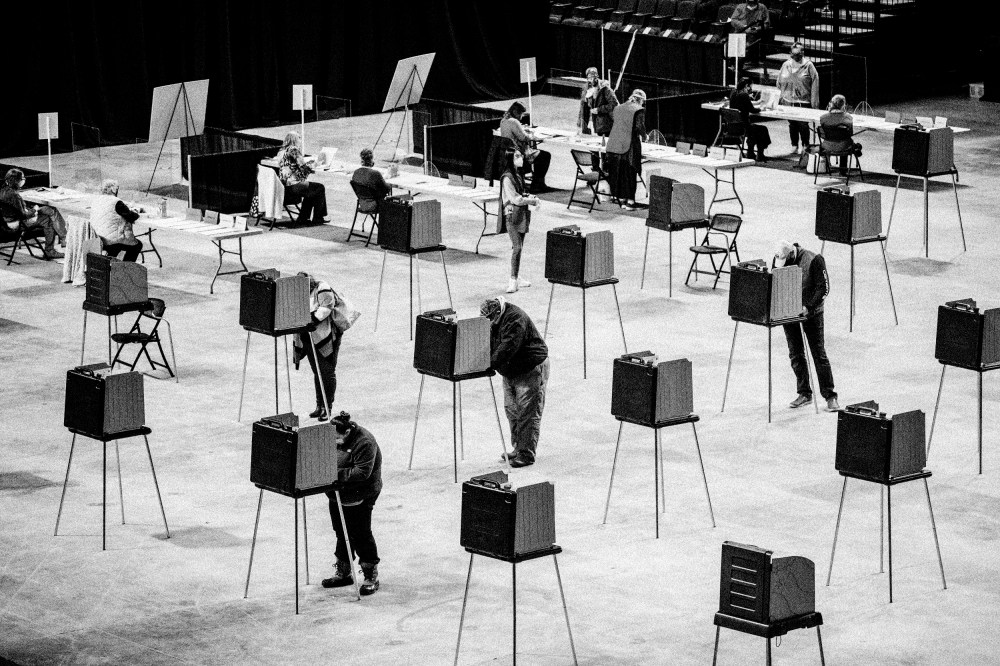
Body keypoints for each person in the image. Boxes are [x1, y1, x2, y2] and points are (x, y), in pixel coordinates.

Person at [481, 297, 550, 468]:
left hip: (529, 369)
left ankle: (526, 454)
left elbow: (508, 347)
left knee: (527, 413)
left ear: (498, 312)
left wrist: (488, 365)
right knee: (512, 411)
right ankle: (518, 448)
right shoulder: (494, 319)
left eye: (490, 319)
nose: (488, 323)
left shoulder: (515, 319)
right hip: (511, 371)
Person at [321, 412, 383, 596]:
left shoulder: (365, 442)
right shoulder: (332, 435)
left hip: (360, 493)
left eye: (337, 438)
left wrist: (332, 473)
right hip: (337, 493)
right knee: (341, 531)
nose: (334, 441)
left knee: (360, 534)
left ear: (347, 432)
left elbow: (362, 472)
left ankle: (370, 574)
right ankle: (344, 571)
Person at [774, 240, 839, 412]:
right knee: (795, 354)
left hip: (812, 313)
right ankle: (804, 393)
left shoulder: (814, 259)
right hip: (790, 312)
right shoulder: (780, 259)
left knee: (818, 354)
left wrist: (808, 306)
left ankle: (830, 396)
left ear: (792, 254)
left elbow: (823, 288)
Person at [292, 274, 342, 421]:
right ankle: (319, 406)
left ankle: (327, 408)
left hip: (325, 338)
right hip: (308, 337)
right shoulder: (299, 293)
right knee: (317, 372)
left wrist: (310, 319)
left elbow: (326, 308)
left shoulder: (322, 288)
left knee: (327, 372)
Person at [0, 168, 65, 259]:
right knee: (48, 220)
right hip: (17, 223)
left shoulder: (3, 191)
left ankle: (63, 238)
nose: (24, 180)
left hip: (8, 221)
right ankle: (50, 250)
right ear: (16, 181)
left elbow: (17, 210)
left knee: (50, 209)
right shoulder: (14, 196)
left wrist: (31, 209)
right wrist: (34, 210)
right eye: (22, 178)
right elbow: (24, 215)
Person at [499, 149, 540, 294]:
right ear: (510, 159)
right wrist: (531, 201)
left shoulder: (518, 175)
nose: (520, 158)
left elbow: (521, 193)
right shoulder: (507, 178)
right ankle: (512, 281)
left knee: (519, 247)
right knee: (517, 247)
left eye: (520, 155)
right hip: (512, 216)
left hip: (522, 214)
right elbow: (515, 199)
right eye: (516, 156)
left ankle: (516, 276)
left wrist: (531, 196)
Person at [605, 88, 647, 210]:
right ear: (641, 100)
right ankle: (630, 202)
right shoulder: (638, 110)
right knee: (630, 172)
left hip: (615, 144)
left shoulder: (618, 108)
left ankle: (622, 199)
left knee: (620, 172)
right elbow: (639, 126)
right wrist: (645, 136)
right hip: (629, 146)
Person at [276, 131, 330, 225]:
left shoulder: (281, 151)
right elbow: (303, 168)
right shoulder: (293, 150)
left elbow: (294, 166)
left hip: (284, 185)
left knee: (311, 190)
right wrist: (317, 162)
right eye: (299, 138)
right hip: (294, 185)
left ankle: (303, 217)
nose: (300, 140)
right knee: (320, 188)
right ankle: (318, 217)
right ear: (294, 140)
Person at [776, 43, 820, 155]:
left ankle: (806, 145)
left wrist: (814, 102)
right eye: (794, 54)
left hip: (803, 101)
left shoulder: (809, 65)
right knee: (792, 124)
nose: (796, 57)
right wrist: (781, 96)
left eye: (798, 54)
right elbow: (779, 81)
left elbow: (815, 82)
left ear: (802, 53)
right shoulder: (786, 65)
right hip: (788, 100)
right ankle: (794, 145)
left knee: (803, 125)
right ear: (790, 54)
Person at [499, 102, 551, 193]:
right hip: (519, 152)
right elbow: (524, 138)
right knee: (545, 156)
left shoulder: (503, 120)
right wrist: (531, 135)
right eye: (520, 114)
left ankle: (537, 183)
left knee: (539, 154)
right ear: (515, 112)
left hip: (508, 151)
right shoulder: (514, 121)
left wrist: (522, 130)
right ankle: (537, 184)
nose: (521, 116)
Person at [88, 179, 142, 262]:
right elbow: (131, 217)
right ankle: (125, 267)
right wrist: (136, 211)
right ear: (114, 190)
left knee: (115, 247)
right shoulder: (116, 202)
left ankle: (110, 263)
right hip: (110, 241)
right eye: (117, 189)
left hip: (97, 238)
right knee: (136, 246)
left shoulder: (96, 200)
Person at [728, 78, 772, 161]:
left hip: (733, 125)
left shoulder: (733, 93)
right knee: (762, 129)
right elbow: (752, 109)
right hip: (743, 127)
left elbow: (745, 104)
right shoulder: (744, 95)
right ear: (746, 86)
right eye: (750, 87)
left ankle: (750, 152)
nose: (750, 89)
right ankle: (760, 154)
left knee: (754, 129)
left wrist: (756, 102)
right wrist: (761, 109)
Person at [819, 94, 862, 175]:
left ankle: (827, 166)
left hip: (827, 146)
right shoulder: (848, 117)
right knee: (845, 142)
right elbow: (850, 133)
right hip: (843, 146)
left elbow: (824, 133)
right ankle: (843, 171)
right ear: (843, 105)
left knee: (842, 141)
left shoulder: (823, 118)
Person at [578, 67, 619, 137]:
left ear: (597, 76)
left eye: (593, 77)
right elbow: (583, 107)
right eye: (589, 78)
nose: (591, 80)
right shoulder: (586, 88)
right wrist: (581, 122)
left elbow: (614, 104)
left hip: (607, 125)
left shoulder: (605, 88)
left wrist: (599, 110)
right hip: (596, 125)